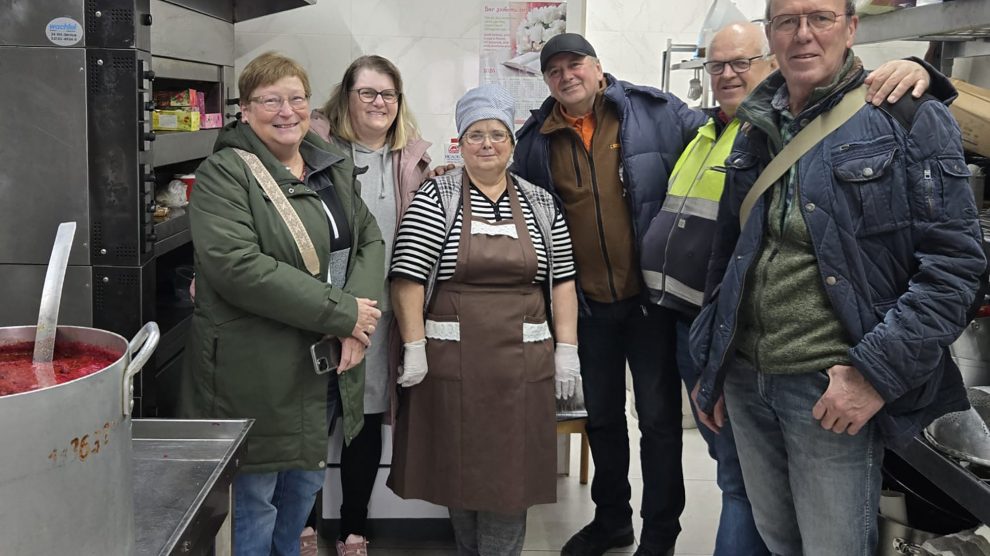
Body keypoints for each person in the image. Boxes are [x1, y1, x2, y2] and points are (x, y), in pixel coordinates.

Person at [689, 1, 986, 554]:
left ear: (851, 28)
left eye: (821, 18)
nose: (803, 35)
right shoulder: (757, 126)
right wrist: (713, 360)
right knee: (778, 541)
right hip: (748, 380)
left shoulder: (907, 115)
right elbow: (727, 255)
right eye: (787, 21)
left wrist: (872, 375)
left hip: (829, 390)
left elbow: (956, 267)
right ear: (770, 35)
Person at [178, 51, 384, 556]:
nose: (286, 110)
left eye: (296, 98)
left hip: (322, 365)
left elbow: (370, 240)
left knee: (303, 492)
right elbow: (238, 267)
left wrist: (353, 322)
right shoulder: (225, 174)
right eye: (270, 100)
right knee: (257, 501)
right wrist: (344, 315)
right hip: (257, 372)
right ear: (244, 111)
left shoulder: (328, 165)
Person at [513, 33, 706, 556]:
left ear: (598, 68)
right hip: (586, 307)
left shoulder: (654, 113)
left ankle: (661, 533)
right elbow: (512, 199)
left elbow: (722, 128)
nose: (566, 75)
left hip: (650, 301)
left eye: (575, 64)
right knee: (601, 419)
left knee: (660, 421)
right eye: (553, 71)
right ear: (546, 82)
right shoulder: (535, 140)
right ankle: (612, 520)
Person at [387, 84, 580, 556]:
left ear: (512, 143)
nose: (487, 143)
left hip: (523, 364)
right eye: (475, 135)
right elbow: (407, 277)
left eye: (497, 134)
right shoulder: (438, 196)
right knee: (459, 473)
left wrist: (567, 351)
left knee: (510, 479)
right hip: (452, 362)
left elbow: (563, 283)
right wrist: (414, 346)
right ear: (460, 142)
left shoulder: (540, 202)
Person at [310, 54, 433, 556]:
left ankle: (353, 528)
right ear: (346, 98)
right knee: (312, 424)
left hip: (380, 319)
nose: (379, 103)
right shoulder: (316, 151)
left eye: (388, 94)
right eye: (368, 93)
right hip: (317, 311)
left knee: (362, 422)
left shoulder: (412, 160)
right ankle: (302, 523)